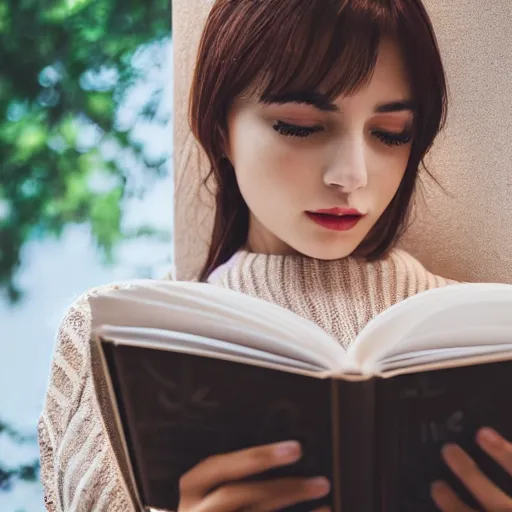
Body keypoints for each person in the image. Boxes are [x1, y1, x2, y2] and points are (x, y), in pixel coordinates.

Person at [38, 0, 512, 511]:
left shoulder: (492, 338)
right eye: (300, 125)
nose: (351, 176)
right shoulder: (110, 343)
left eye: (390, 133)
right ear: (220, 127)